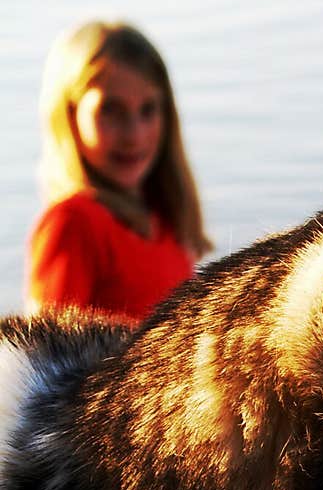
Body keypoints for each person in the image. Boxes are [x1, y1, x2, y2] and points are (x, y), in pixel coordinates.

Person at [27, 21, 211, 321]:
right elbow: (48, 357)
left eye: (148, 109)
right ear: (69, 115)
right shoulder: (73, 224)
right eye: (111, 110)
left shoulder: (163, 218)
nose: (134, 135)